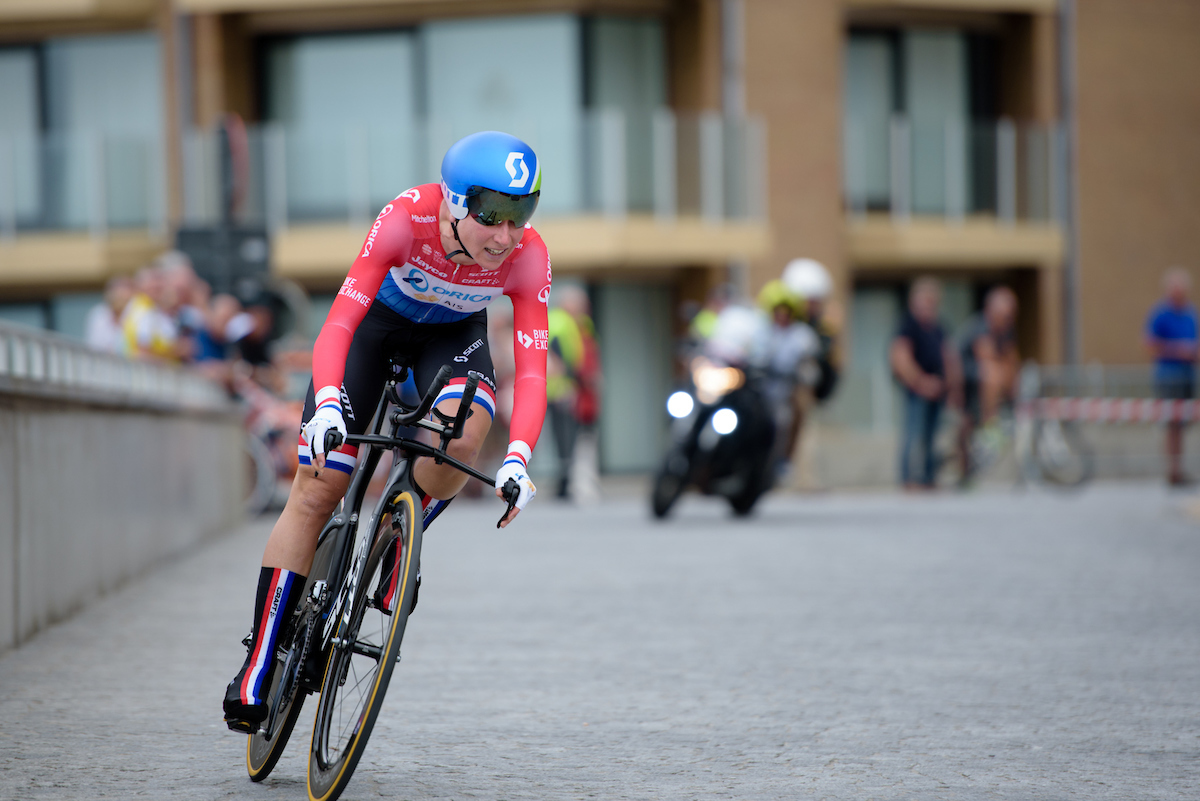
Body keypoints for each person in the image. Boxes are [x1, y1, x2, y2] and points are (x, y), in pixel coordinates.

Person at [223, 131, 550, 732]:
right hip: (373, 333)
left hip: (452, 338)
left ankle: (404, 526)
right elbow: (339, 325)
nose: (506, 235)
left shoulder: (528, 255)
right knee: (319, 489)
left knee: (463, 431)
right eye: (491, 214)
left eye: (521, 212)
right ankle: (259, 661)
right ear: (454, 201)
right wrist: (327, 402)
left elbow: (531, 371)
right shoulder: (405, 219)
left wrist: (519, 457)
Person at [890, 277, 958, 490]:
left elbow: (949, 356)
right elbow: (901, 358)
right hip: (917, 391)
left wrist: (949, 386)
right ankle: (908, 478)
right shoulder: (908, 326)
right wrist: (922, 383)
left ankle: (929, 477)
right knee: (913, 434)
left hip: (938, 390)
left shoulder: (938, 327)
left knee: (932, 436)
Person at [956, 287, 1020, 483]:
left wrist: (1014, 387)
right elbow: (986, 356)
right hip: (962, 373)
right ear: (991, 311)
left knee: (1006, 373)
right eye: (1004, 315)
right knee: (992, 373)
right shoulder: (980, 326)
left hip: (980, 375)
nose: (1008, 320)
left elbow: (1011, 359)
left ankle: (1005, 414)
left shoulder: (1006, 330)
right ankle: (989, 423)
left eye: (1010, 315)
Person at [1145, 267, 1198, 486]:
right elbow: (1149, 345)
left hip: (1187, 375)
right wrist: (1177, 350)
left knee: (1182, 424)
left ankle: (1179, 468)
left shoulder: (1190, 313)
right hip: (1168, 376)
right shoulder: (1160, 314)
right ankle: (1171, 470)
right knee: (1170, 423)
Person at [84, 275, 134, 353]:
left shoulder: (135, 313)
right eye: (117, 293)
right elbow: (93, 343)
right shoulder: (98, 313)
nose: (119, 298)